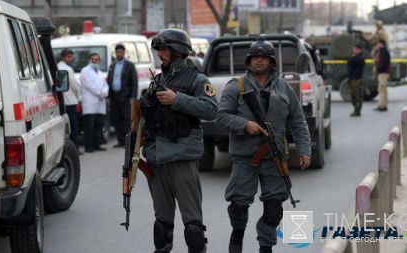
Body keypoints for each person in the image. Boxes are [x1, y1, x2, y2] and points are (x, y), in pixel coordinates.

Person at [215, 37, 311, 253]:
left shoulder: (284, 87)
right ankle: (237, 235)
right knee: (239, 205)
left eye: (263, 57)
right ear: (249, 60)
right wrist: (244, 124)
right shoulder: (236, 86)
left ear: (271, 61)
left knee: (274, 208)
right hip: (245, 157)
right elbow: (220, 117)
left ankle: (265, 247)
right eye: (255, 57)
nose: (259, 61)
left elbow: (298, 120)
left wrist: (305, 150)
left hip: (274, 157)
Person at [141, 28, 218, 253]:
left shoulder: (197, 78)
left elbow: (212, 109)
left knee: (192, 225)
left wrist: (177, 99)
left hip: (182, 157)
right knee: (161, 224)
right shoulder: (157, 80)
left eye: (164, 49)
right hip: (156, 158)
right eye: (159, 49)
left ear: (178, 51)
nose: (159, 54)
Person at [107, 44, 138, 148]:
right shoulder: (112, 65)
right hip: (115, 96)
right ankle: (120, 140)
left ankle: (128, 141)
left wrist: (133, 98)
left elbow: (134, 82)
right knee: (116, 119)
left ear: (124, 53)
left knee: (127, 119)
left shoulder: (129, 65)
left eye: (120, 52)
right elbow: (109, 81)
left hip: (126, 96)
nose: (118, 54)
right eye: (117, 52)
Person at [80, 53, 109, 153]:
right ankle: (88, 146)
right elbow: (87, 84)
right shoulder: (85, 71)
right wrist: (98, 93)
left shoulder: (100, 73)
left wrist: (104, 92)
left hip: (100, 103)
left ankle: (97, 145)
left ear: (99, 61)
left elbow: (106, 85)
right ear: (89, 60)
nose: (94, 61)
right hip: (90, 103)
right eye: (92, 59)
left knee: (99, 125)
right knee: (89, 126)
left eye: (96, 59)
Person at [57, 48, 83, 155]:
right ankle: (75, 148)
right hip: (70, 102)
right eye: (68, 57)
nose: (70, 59)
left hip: (60, 102)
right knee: (73, 126)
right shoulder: (68, 69)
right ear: (63, 57)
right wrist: (78, 98)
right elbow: (75, 86)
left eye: (71, 57)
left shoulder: (56, 67)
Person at [347, 44, 365, 117]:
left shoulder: (360, 58)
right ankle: (355, 109)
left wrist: (351, 58)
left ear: (360, 50)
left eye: (356, 49)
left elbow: (351, 61)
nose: (354, 51)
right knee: (353, 95)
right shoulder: (353, 57)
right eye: (354, 49)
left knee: (357, 95)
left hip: (356, 79)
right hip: (352, 78)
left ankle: (357, 110)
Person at [374, 39, 391, 112]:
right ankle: (383, 105)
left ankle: (381, 106)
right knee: (383, 89)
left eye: (378, 44)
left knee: (382, 89)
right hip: (382, 72)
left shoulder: (385, 52)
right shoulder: (381, 52)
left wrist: (378, 68)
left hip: (383, 72)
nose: (377, 45)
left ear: (382, 44)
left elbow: (385, 63)